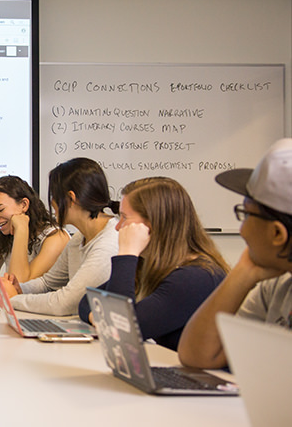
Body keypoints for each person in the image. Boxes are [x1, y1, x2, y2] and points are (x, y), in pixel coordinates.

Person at [178, 138, 292, 369]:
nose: (242, 230)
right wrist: (244, 270)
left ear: (277, 234)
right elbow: (197, 357)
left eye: (246, 214)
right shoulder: (276, 283)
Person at [79, 177, 229, 351]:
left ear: (151, 224)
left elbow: (122, 331)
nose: (118, 227)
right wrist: (100, 318)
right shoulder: (152, 265)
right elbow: (87, 301)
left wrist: (127, 253)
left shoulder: (196, 277)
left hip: (207, 377)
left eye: (124, 218)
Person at [1, 157, 119, 316]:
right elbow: (48, 283)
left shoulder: (108, 244)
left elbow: (64, 304)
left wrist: (13, 300)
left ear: (71, 199)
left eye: (54, 197)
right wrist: (19, 288)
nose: (52, 204)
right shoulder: (79, 237)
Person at [0, 175, 70, 283]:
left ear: (24, 205)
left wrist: (21, 229)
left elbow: (19, 284)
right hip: (19, 300)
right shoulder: (1, 237)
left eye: (0, 209)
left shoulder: (56, 238)